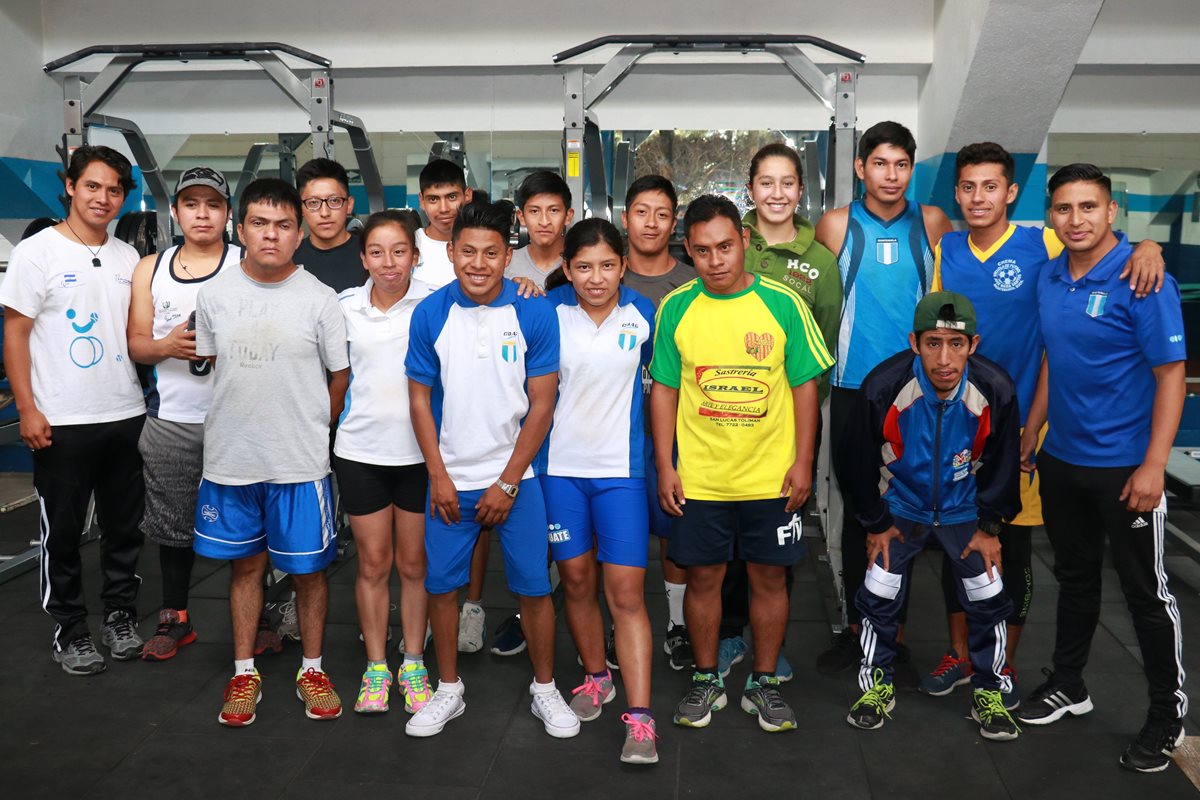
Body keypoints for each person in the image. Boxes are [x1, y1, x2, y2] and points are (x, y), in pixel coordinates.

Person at [923, 142, 1165, 704]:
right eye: (967, 187)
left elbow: (1108, 246)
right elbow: (941, 338)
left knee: (1014, 550)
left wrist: (1148, 245)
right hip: (962, 427)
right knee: (958, 543)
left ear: (1010, 193)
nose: (978, 197)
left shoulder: (1045, 240)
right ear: (956, 194)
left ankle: (1001, 665)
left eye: (990, 187)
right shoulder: (947, 250)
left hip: (1028, 429)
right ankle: (960, 655)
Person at [1018, 163, 1187, 774]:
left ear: (1111, 211)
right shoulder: (1049, 276)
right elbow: (1048, 361)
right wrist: (1031, 430)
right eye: (1063, 209)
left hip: (1126, 470)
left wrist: (1154, 465)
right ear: (1051, 216)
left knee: (1146, 595)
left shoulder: (1143, 277)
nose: (1076, 220)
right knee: (1077, 578)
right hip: (1063, 460)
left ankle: (1167, 720)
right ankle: (1069, 684)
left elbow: (1171, 377)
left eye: (1088, 207)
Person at [651, 194, 832, 733]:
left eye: (725, 246)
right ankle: (708, 679)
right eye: (702, 250)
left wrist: (804, 463)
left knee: (769, 581)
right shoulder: (676, 307)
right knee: (704, 580)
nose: (715, 260)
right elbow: (663, 390)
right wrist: (666, 466)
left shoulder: (783, 304)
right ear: (690, 250)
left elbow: (804, 388)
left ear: (745, 243)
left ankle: (765, 682)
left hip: (770, 479)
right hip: (701, 480)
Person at [404, 201, 578, 739]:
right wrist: (437, 474)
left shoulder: (533, 311)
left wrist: (506, 481)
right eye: (468, 252)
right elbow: (417, 400)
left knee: (534, 590)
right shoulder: (430, 313)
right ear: (451, 252)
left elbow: (543, 405)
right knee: (442, 587)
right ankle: (448, 690)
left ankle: (545, 689)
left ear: (509, 257)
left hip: (518, 481)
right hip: (450, 480)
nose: (479, 263)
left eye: (492, 253)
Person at [192, 178, 349, 726]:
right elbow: (213, 365)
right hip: (233, 459)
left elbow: (340, 374)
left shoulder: (321, 299)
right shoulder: (212, 296)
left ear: (299, 235)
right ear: (241, 231)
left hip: (300, 462)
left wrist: (310, 425)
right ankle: (243, 673)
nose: (271, 235)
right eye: (260, 223)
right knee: (245, 569)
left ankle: (313, 668)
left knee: (309, 573)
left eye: (284, 225)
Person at [841, 291, 1022, 740]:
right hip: (900, 506)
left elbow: (1002, 462)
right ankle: (875, 687)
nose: (944, 358)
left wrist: (990, 526)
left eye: (956, 345)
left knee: (988, 594)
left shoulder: (994, 388)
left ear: (973, 345)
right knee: (879, 592)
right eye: (933, 343)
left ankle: (990, 691)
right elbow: (854, 460)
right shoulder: (884, 387)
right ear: (914, 342)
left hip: (964, 509)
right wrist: (876, 522)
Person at [813, 121, 953, 678]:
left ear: (910, 170)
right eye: (880, 164)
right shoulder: (836, 224)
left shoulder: (935, 221)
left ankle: (891, 633)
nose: (890, 175)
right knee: (858, 510)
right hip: (851, 390)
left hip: (916, 393)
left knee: (910, 512)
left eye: (901, 165)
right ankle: (857, 630)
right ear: (860, 168)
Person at [0, 145, 147, 674]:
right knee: (62, 533)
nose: (102, 198)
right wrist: (27, 408)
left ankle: (120, 617)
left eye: (113, 190)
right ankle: (71, 630)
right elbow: (14, 335)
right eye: (92, 186)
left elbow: (134, 334)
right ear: (70, 186)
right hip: (60, 418)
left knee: (124, 529)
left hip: (124, 412)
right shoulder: (36, 252)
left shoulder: (128, 258)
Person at [715, 142, 843, 681]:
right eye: (766, 183)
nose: (776, 193)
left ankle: (770, 642)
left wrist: (802, 432)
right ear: (750, 190)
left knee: (778, 543)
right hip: (724, 424)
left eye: (787, 182)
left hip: (785, 430)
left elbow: (823, 349)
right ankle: (726, 637)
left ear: (801, 190)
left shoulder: (819, 262)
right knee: (726, 542)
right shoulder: (731, 242)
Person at [540, 218, 659, 763]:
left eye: (607, 265)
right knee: (577, 581)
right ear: (565, 269)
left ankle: (640, 719)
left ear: (624, 265)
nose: (595, 277)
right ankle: (595, 678)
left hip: (622, 473)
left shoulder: (646, 314)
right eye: (583, 266)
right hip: (560, 471)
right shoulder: (547, 313)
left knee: (627, 596)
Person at [127, 166, 240, 662]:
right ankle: (176, 618)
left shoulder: (247, 263)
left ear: (227, 214)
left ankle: (252, 619)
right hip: (171, 419)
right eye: (191, 204)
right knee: (173, 527)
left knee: (246, 522)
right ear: (175, 212)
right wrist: (166, 345)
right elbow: (135, 344)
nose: (201, 213)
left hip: (238, 419)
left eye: (212, 204)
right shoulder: (150, 268)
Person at [333, 210, 436, 714]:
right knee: (373, 564)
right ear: (363, 258)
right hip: (360, 452)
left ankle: (412, 662)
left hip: (421, 455)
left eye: (399, 251)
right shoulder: (344, 306)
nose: (389, 263)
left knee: (414, 565)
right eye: (377, 252)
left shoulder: (438, 303)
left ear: (415, 256)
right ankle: (377, 668)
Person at [620, 174, 696, 672]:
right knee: (617, 535)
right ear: (625, 218)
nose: (651, 223)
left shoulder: (693, 281)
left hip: (678, 433)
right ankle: (618, 623)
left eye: (662, 214)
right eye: (642, 212)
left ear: (674, 223)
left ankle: (675, 622)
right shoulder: (603, 273)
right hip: (614, 432)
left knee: (675, 530)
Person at [294, 158, 366, 292]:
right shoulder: (290, 260)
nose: (325, 213)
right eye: (313, 203)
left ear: (349, 205)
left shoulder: (370, 254)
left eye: (334, 201)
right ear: (300, 208)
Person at [506, 170, 574, 288]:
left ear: (568, 216)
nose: (544, 221)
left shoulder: (582, 265)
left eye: (553, 210)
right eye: (534, 211)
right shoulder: (505, 265)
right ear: (521, 217)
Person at [415, 158, 472, 290]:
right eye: (433, 199)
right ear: (422, 201)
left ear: (467, 195)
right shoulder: (409, 244)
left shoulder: (483, 245)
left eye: (452, 197)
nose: (444, 209)